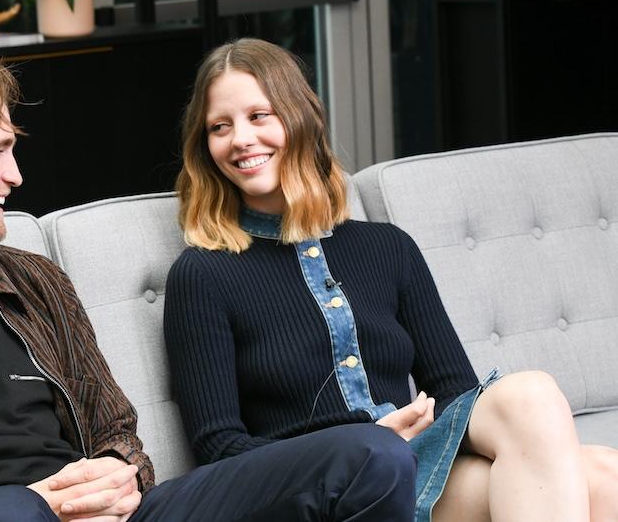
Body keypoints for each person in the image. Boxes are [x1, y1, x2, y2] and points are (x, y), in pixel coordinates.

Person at [0, 50, 419, 522]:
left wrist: (118, 477)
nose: (14, 177)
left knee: (369, 454)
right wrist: (46, 503)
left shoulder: (36, 282)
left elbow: (120, 432)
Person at [164, 37, 618, 522]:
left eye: (259, 116)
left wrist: (409, 433)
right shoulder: (203, 274)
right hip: (327, 489)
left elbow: (454, 391)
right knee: (596, 476)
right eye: (220, 126)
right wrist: (366, 439)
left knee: (573, 439)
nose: (241, 140)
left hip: (414, 460)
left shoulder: (387, 247)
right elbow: (220, 449)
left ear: (299, 118)